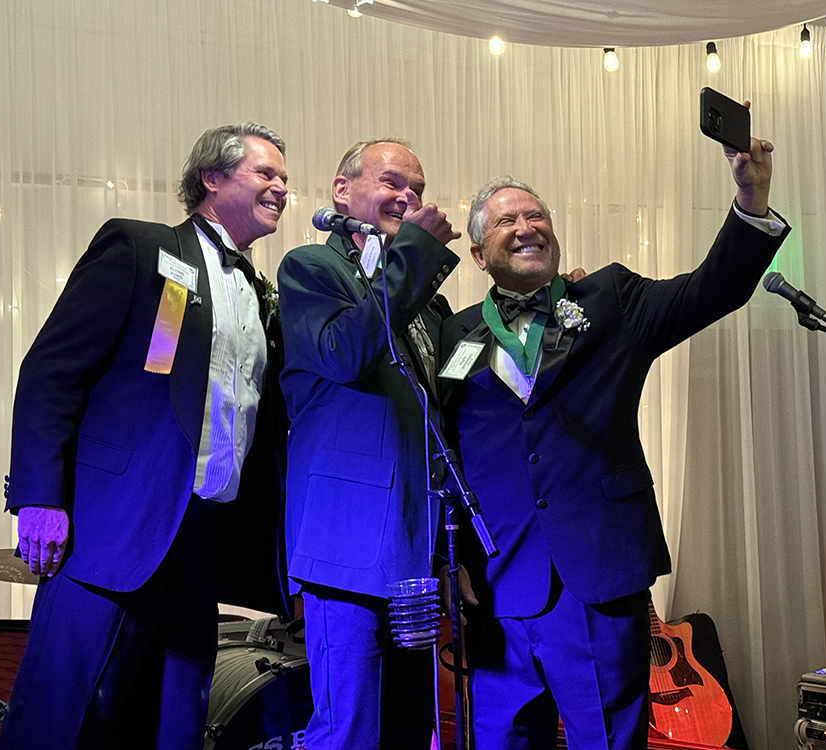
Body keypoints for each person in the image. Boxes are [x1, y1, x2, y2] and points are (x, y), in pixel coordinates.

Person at [439, 128, 790, 750]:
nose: (526, 227)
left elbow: (712, 288)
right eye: (506, 221)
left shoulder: (611, 300)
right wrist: (451, 561)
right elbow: (442, 453)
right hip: (495, 585)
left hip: (597, 574)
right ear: (476, 254)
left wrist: (750, 199)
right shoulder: (453, 334)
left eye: (536, 216)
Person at [0, 122, 291, 750]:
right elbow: (51, 372)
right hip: (110, 531)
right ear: (212, 179)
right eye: (265, 173)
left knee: (173, 730)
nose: (281, 188)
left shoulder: (259, 293)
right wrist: (39, 497)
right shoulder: (139, 247)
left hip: (203, 541)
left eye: (285, 179)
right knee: (60, 724)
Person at [277, 139, 461, 749]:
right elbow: (344, 353)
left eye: (417, 188)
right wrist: (415, 256)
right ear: (342, 190)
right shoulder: (312, 268)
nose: (407, 196)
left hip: (416, 543)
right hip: (345, 536)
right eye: (391, 182)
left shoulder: (425, 302)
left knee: (410, 727)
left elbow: (442, 412)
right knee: (349, 729)